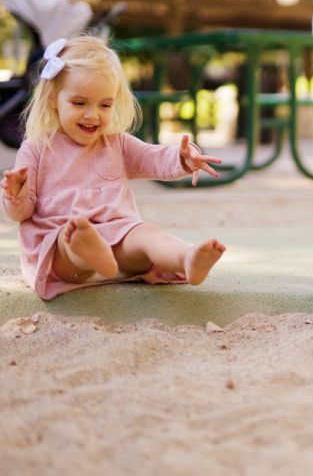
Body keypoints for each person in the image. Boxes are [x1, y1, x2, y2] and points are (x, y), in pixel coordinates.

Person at [1, 36, 226, 300]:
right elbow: (22, 212)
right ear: (53, 99)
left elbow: (152, 157)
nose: (92, 114)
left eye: (104, 105)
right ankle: (89, 252)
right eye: (79, 103)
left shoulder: (116, 143)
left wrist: (183, 159)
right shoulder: (37, 149)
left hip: (119, 243)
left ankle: (186, 257)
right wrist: (15, 193)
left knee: (146, 233)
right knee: (70, 237)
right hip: (63, 250)